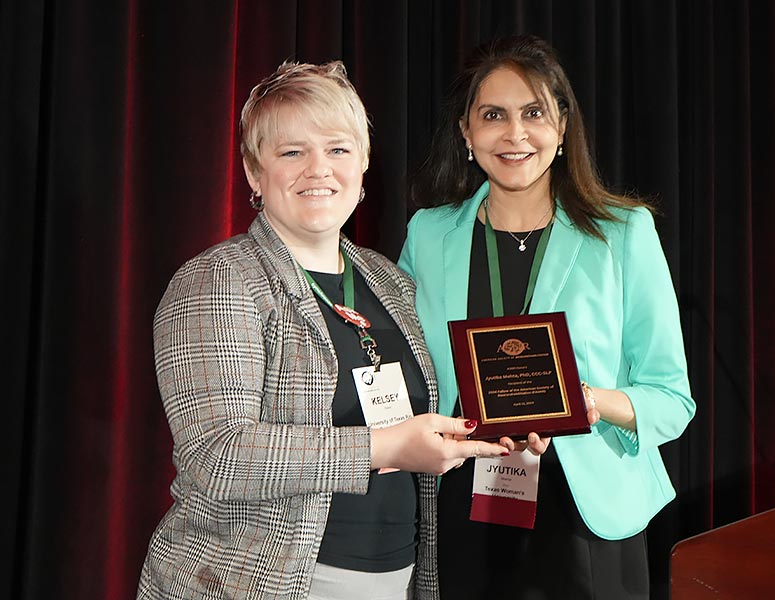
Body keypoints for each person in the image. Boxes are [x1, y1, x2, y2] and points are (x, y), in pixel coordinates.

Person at [137, 60, 507, 600]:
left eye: (337, 149)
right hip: (256, 582)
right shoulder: (219, 279)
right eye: (292, 152)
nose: (318, 169)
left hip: (396, 579)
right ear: (253, 172)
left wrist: (499, 429)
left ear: (363, 164)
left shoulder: (388, 280)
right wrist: (384, 447)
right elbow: (219, 455)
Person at [399, 35, 696, 599]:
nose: (515, 134)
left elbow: (671, 398)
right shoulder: (429, 235)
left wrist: (590, 401)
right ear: (466, 133)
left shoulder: (622, 233)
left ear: (562, 128)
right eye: (493, 115)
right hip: (463, 507)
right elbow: (409, 372)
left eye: (533, 113)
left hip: (585, 515)